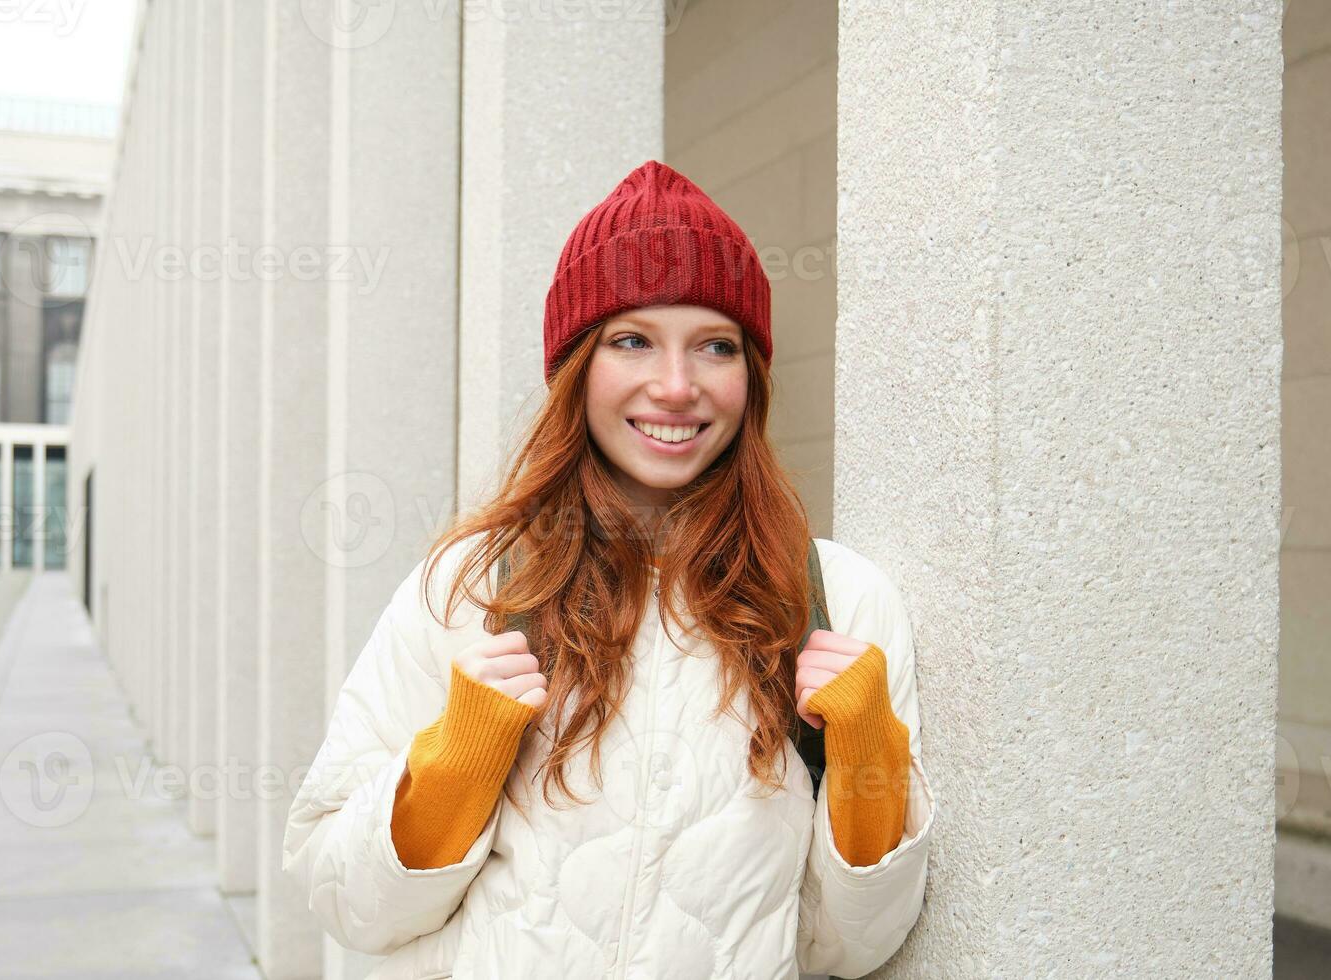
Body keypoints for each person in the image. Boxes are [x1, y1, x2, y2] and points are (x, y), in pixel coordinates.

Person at [283, 160, 931, 978]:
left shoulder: (840, 602)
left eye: (715, 347)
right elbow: (345, 905)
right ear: (577, 367)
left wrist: (870, 765)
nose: (675, 386)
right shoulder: (471, 587)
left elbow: (851, 946)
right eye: (633, 341)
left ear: (752, 377)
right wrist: (449, 771)